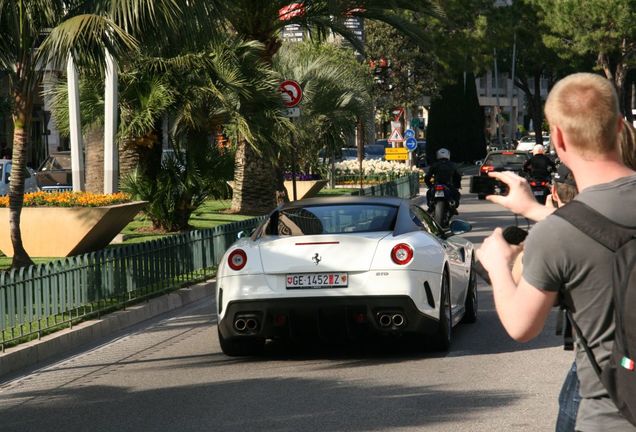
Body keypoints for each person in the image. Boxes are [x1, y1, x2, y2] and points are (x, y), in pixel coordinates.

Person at [477, 72, 636, 431]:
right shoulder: (558, 228)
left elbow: (521, 326)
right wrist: (535, 209)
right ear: (619, 126)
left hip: (611, 417)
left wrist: (499, 264)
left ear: (559, 138)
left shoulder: (556, 234)